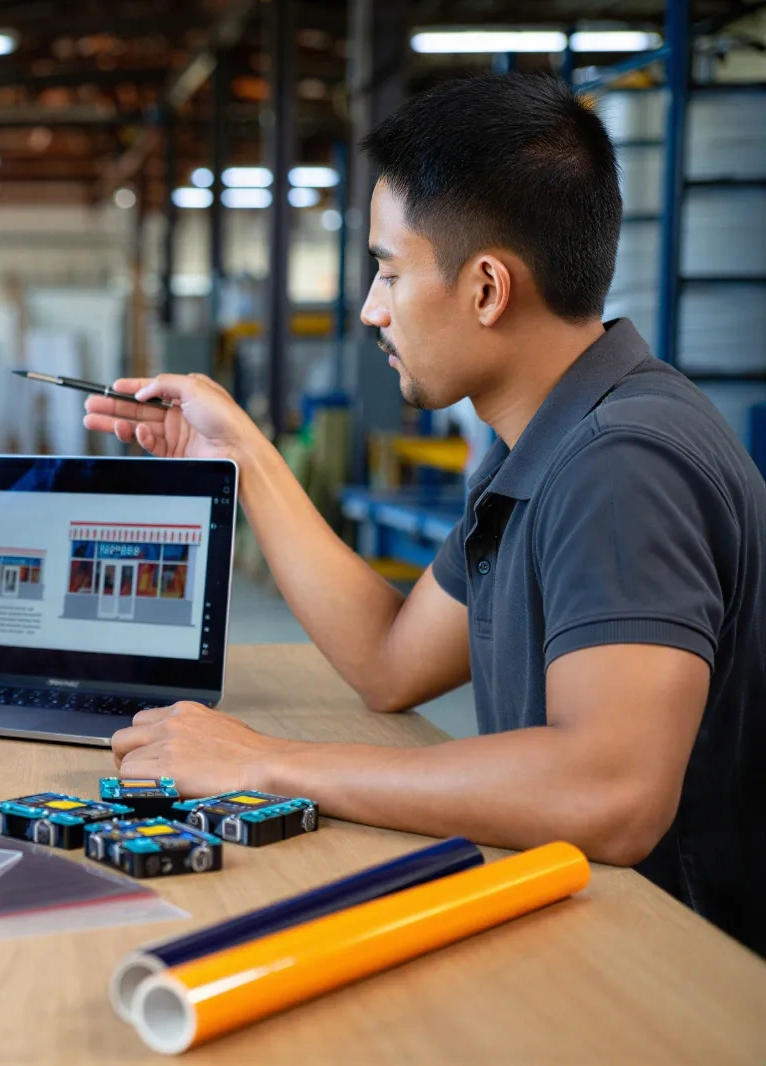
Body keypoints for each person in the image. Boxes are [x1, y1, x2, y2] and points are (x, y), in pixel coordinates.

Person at [84, 74, 765, 956]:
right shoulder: (544, 443)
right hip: (599, 927)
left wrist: (263, 762)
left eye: (389, 270)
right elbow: (390, 662)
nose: (371, 308)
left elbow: (612, 795)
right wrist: (244, 458)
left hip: (684, 969)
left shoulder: (621, 463)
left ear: (486, 289)